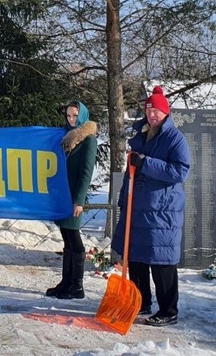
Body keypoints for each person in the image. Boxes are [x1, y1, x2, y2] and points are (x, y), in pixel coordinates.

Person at [111, 86, 191, 327]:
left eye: (157, 110)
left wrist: (147, 163)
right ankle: (141, 301)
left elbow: (180, 171)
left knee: (161, 260)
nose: (153, 114)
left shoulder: (174, 138)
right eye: (149, 110)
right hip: (138, 208)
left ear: (166, 113)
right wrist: (124, 198)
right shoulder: (140, 137)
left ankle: (168, 309)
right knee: (136, 257)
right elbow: (131, 173)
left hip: (161, 210)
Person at [46, 101, 98, 300]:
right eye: (68, 116)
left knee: (74, 239)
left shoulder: (88, 140)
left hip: (74, 197)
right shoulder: (66, 138)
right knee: (66, 238)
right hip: (62, 194)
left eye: (75, 115)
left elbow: (86, 172)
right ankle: (66, 281)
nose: (71, 119)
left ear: (82, 115)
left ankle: (77, 285)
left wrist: (79, 200)